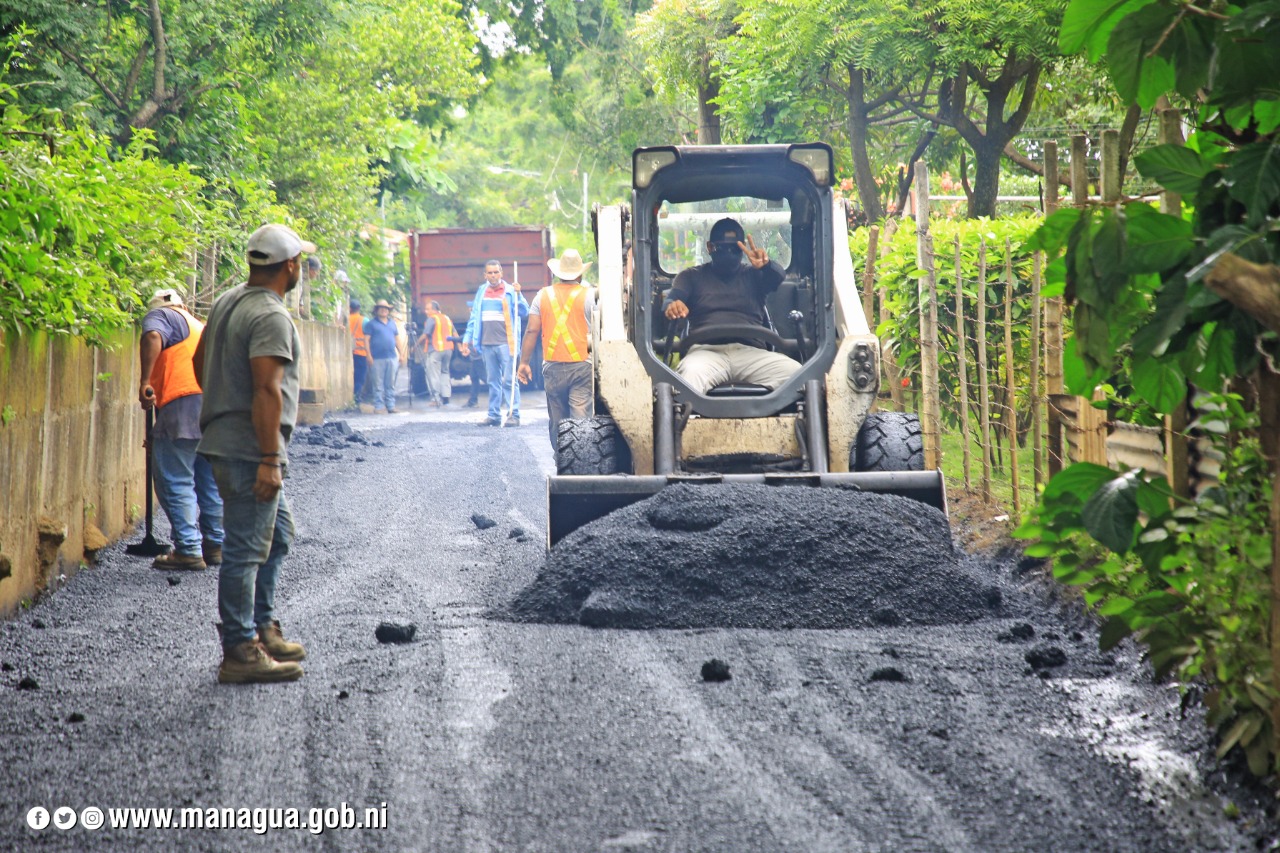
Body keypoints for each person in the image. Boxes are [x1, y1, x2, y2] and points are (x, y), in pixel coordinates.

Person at [193, 222, 312, 684]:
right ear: (290, 266)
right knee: (244, 551)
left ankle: (261, 628)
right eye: (301, 262)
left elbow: (199, 361)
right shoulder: (270, 316)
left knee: (277, 535)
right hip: (250, 452)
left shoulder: (227, 301)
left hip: (229, 441)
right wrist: (269, 459)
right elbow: (267, 388)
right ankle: (240, 650)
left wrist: (221, 403)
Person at [663, 217, 801, 394]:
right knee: (688, 376)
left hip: (752, 353)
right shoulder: (691, 276)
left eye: (734, 248)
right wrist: (673, 305)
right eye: (721, 248)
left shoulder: (755, 274)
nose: (728, 253)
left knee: (798, 376)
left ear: (742, 248)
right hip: (706, 353)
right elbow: (671, 300)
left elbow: (777, 277)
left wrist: (767, 266)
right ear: (709, 247)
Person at [138, 288, 224, 571]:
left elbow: (152, 336)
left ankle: (188, 549)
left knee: (175, 480)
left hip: (183, 405)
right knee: (208, 482)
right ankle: (215, 544)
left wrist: (145, 381)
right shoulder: (196, 325)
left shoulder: (161, 315)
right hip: (210, 407)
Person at [518, 249, 595, 447]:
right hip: (582, 365)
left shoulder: (542, 295)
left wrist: (524, 363)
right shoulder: (589, 296)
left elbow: (531, 330)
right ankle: (581, 457)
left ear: (558, 273)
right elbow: (598, 330)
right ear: (580, 274)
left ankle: (560, 456)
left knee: (558, 419)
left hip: (553, 366)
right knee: (580, 418)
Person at [460, 260, 528, 427]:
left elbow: (524, 311)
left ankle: (513, 414)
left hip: (506, 343)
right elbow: (474, 317)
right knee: (492, 381)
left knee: (509, 381)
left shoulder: (511, 291)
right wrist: (466, 339)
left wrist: (520, 295)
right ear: (485, 275)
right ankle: (494, 415)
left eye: (496, 272)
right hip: (486, 344)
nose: (493, 275)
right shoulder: (481, 291)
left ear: (501, 273)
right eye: (490, 273)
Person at [416, 300, 456, 407]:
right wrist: (460, 346)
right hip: (448, 350)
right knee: (445, 372)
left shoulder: (432, 318)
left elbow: (425, 334)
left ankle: (435, 399)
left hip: (436, 349)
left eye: (427, 309)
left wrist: (415, 345)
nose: (426, 311)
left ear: (434, 310)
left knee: (433, 374)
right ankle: (446, 397)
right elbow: (454, 333)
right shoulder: (446, 318)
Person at [364, 299, 400, 414]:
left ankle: (391, 406)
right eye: (381, 308)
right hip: (377, 358)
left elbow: (396, 339)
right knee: (378, 384)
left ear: (388, 311)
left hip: (392, 357)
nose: (384, 310)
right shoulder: (371, 324)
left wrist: (401, 353)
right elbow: (366, 340)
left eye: (386, 309)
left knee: (390, 384)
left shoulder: (392, 323)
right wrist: (368, 355)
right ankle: (379, 406)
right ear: (376, 310)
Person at [347, 297, 372, 407]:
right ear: (359, 308)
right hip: (361, 354)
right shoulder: (364, 320)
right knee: (359, 378)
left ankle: (352, 398)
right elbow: (370, 335)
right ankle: (356, 399)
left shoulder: (346, 319)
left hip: (349, 353)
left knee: (352, 377)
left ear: (350, 308)